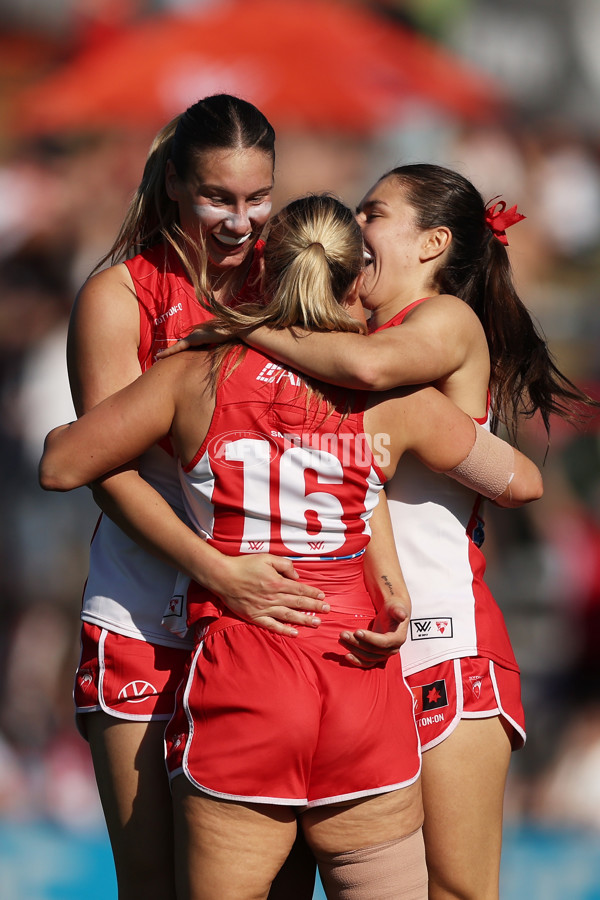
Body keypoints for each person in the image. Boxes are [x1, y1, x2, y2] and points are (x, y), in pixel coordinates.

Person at [40, 193, 543, 900]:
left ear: (264, 272)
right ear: (354, 279)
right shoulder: (391, 398)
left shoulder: (196, 372)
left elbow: (62, 467)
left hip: (248, 673)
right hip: (360, 677)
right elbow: (520, 479)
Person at [161, 165, 592, 900]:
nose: (356, 228)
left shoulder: (442, 319)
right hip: (357, 653)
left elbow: (374, 371)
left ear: (433, 242)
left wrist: (249, 330)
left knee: (454, 890)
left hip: (446, 637)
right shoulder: (347, 334)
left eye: (375, 212)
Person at [65, 94, 328, 900]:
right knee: (152, 884)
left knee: (277, 884)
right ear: (175, 183)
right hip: (147, 613)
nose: (242, 221)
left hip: (265, 616)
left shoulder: (294, 282)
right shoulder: (119, 294)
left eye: (258, 197)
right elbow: (106, 474)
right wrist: (217, 569)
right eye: (219, 197)